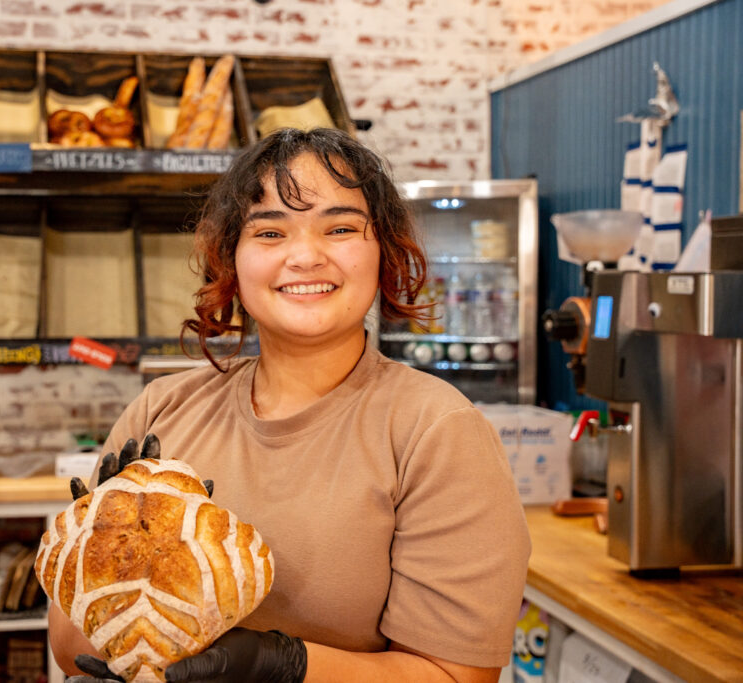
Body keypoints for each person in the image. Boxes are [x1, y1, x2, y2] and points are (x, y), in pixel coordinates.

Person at [48, 127, 531, 682]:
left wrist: (284, 665)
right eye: (271, 231)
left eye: (342, 227)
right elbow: (68, 645)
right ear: (231, 259)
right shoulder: (161, 411)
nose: (305, 256)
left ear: (385, 253)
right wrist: (101, 566)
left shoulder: (436, 432)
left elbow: (457, 677)